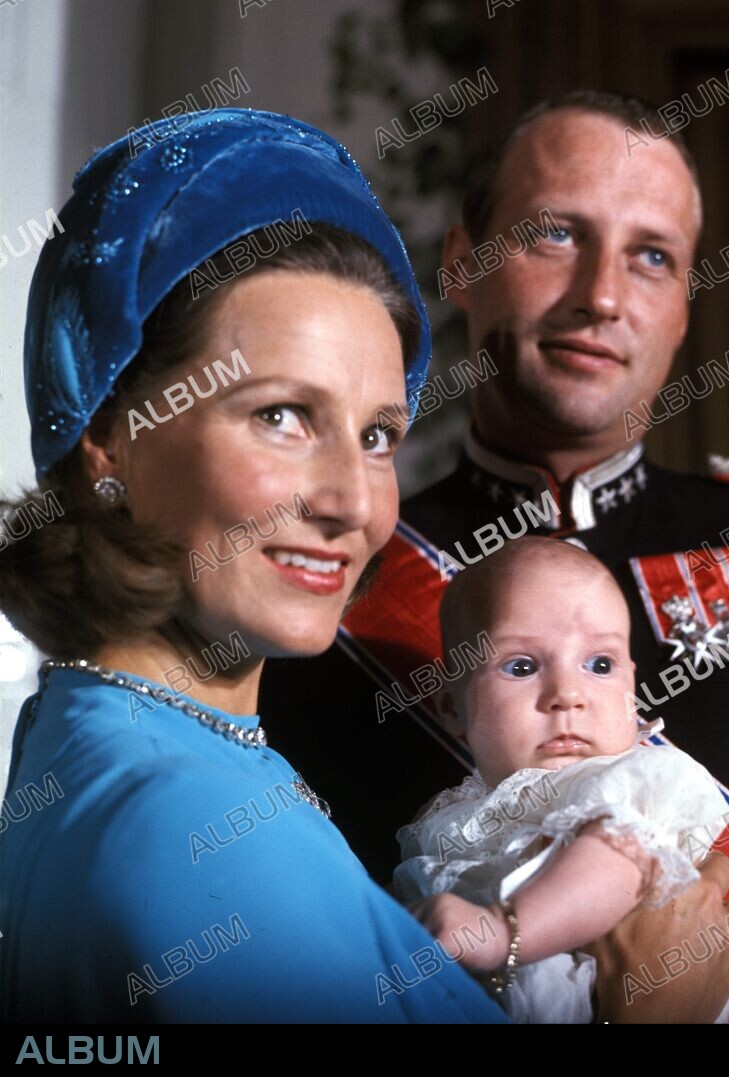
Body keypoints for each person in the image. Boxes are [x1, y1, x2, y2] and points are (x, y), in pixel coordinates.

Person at [260, 91, 729, 1023]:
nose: (602, 294)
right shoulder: (334, 577)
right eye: (556, 235)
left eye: (652, 256)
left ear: (685, 305)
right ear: (461, 261)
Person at [0, 107, 506, 1023]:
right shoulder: (188, 820)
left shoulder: (101, 739)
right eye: (282, 415)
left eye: (379, 434)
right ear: (110, 436)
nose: (354, 503)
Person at [395, 537, 729, 1024]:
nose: (568, 694)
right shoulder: (452, 818)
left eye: (600, 665)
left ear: (631, 691)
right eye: (522, 666)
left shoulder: (628, 778)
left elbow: (617, 867)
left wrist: (503, 932)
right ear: (451, 707)